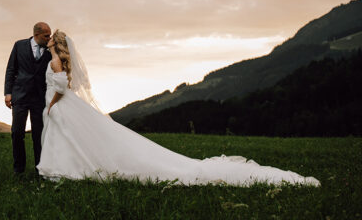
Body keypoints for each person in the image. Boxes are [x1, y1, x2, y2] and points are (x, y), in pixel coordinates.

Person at [36, 30, 320, 186]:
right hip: (64, 107)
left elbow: (60, 86)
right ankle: (59, 168)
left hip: (61, 106)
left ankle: (63, 170)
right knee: (69, 139)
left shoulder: (55, 62)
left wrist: (51, 105)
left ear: (55, 43)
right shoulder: (58, 60)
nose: (47, 40)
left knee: (68, 138)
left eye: (50, 39)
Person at [4, 22, 52, 175]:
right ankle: (19, 169)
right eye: (46, 35)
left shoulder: (51, 50)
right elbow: (11, 69)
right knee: (17, 133)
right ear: (36, 35)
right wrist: (8, 93)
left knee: (39, 135)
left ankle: (40, 170)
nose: (49, 38)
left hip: (40, 97)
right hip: (20, 95)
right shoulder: (19, 45)